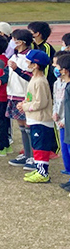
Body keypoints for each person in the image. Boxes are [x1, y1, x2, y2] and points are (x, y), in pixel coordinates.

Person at [19, 50, 55, 183]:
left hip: (41, 120)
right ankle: (38, 168)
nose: (26, 63)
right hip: (34, 118)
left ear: (35, 65)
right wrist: (25, 103)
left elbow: (41, 102)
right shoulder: (34, 79)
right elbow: (33, 98)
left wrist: (26, 106)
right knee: (36, 145)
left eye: (28, 61)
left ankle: (43, 173)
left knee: (41, 146)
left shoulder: (40, 81)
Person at [6, 29, 35, 170]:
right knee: (21, 127)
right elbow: (8, 74)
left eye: (14, 39)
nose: (12, 42)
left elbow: (31, 77)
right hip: (12, 94)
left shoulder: (29, 57)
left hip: (24, 95)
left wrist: (17, 69)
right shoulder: (14, 56)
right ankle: (26, 154)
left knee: (29, 126)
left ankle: (33, 157)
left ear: (21, 41)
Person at [51, 51, 70, 188]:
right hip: (63, 124)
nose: (54, 68)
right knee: (65, 151)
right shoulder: (58, 84)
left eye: (56, 65)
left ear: (64, 70)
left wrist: (64, 119)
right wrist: (55, 114)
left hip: (67, 123)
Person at [28, 21, 56, 89]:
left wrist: (44, 81)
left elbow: (46, 65)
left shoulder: (46, 47)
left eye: (30, 31)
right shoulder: (32, 45)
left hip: (46, 80)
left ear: (37, 34)